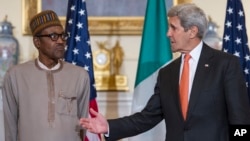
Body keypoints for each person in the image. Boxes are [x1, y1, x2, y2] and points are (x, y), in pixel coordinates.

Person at [79, 3, 250, 141]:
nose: (168, 34)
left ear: (192, 31)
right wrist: (108, 126)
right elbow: (147, 117)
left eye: (173, 28)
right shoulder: (167, 73)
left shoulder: (225, 64)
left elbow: (240, 121)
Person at [2, 10, 90, 141]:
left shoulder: (80, 76)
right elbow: (10, 128)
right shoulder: (15, 76)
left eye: (63, 36)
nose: (61, 41)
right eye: (54, 36)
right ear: (37, 42)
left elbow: (83, 125)